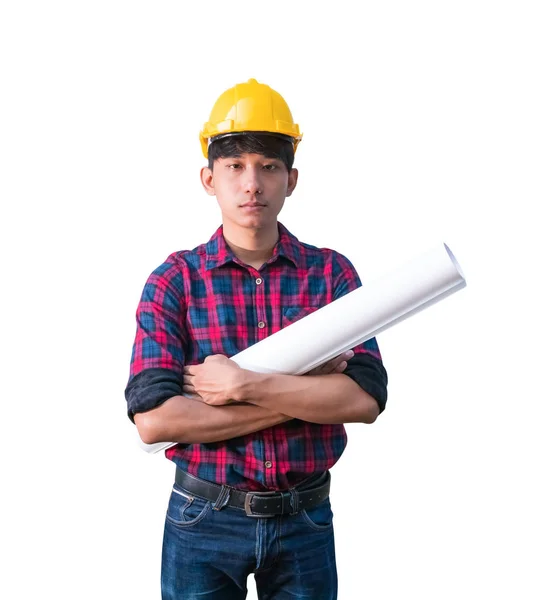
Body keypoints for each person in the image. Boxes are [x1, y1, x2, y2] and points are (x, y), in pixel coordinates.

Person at [125, 78, 388, 600]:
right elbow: (156, 421)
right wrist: (309, 389)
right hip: (203, 518)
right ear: (208, 178)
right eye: (235, 167)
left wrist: (241, 384)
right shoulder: (173, 281)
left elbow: (364, 400)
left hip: (304, 519)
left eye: (268, 167)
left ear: (292, 179)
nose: (252, 184)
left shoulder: (332, 276)